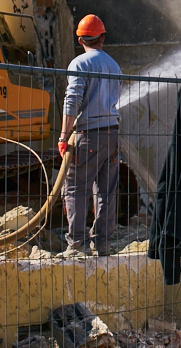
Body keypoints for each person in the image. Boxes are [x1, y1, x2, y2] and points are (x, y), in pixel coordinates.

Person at [58, 14, 124, 255]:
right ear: (102, 38)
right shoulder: (113, 65)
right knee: (106, 191)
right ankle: (103, 244)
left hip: (89, 134)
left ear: (80, 40)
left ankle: (77, 244)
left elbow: (72, 101)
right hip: (112, 134)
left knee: (76, 187)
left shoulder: (80, 63)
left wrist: (64, 136)